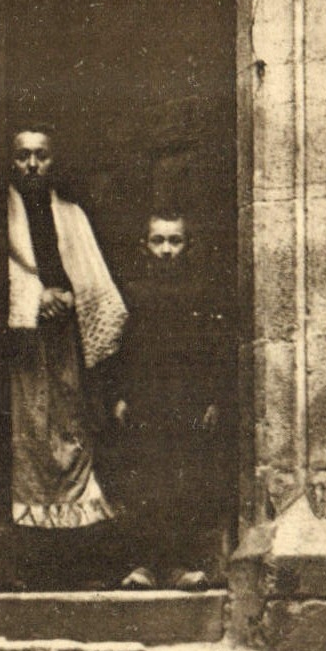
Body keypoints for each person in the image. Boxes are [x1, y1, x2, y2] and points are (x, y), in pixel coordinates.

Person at [7, 128, 127, 531]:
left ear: (53, 160)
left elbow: (91, 276)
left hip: (67, 340)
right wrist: (35, 297)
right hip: (24, 340)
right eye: (23, 156)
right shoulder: (1, 216)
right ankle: (31, 535)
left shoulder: (72, 216)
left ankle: (77, 539)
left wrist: (74, 298)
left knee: (72, 429)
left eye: (41, 155)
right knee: (31, 431)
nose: (33, 165)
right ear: (12, 161)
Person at [105, 211, 231, 589]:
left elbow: (216, 349)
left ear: (187, 245)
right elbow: (121, 349)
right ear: (146, 245)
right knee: (145, 481)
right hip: (146, 401)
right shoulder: (133, 291)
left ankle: (178, 567)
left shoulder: (204, 293)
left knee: (184, 481)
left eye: (174, 241)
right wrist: (120, 396)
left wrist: (213, 399)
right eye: (158, 241)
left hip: (187, 401)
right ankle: (143, 565)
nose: (166, 250)